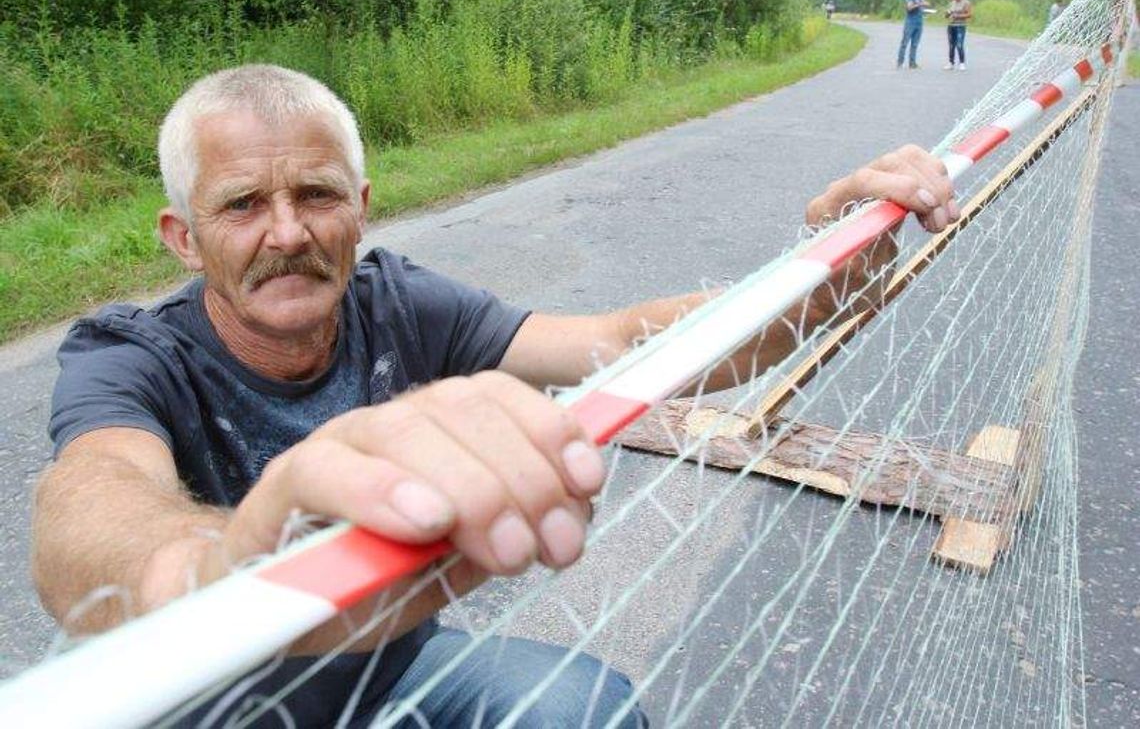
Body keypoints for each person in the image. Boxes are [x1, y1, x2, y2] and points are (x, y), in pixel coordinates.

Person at [31, 65, 960, 727]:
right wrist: (230, 565)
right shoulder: (128, 356)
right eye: (241, 205)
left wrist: (828, 273)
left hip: (395, 666)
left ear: (360, 204)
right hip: (209, 704)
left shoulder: (398, 301)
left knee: (587, 707)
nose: (286, 233)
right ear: (183, 238)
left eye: (316, 194)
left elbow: (628, 341)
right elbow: (90, 506)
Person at [898, 0, 930, 69]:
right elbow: (909, 8)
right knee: (905, 43)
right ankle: (900, 63)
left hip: (919, 23)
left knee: (915, 44)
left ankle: (912, 63)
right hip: (910, 23)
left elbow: (920, 8)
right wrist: (921, 4)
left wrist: (926, 11)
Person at [944, 0, 972, 71]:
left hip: (960, 26)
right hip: (951, 25)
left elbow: (969, 14)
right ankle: (951, 63)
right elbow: (946, 15)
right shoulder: (952, 3)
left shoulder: (966, 3)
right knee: (951, 45)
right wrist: (947, 13)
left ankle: (962, 63)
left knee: (959, 44)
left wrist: (958, 16)